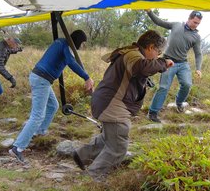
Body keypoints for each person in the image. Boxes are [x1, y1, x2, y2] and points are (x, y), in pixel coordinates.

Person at [72, 30, 174, 181]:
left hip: (106, 101)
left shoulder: (132, 53)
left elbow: (141, 71)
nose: (157, 56)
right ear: (151, 47)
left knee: (110, 137)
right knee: (118, 146)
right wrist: (163, 63)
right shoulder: (133, 55)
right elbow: (141, 67)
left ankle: (82, 156)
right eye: (158, 52)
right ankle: (93, 178)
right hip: (112, 104)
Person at [9, 30, 94, 164]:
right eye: (82, 43)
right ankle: (17, 148)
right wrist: (86, 78)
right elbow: (71, 62)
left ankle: (39, 131)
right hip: (41, 79)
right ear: (77, 40)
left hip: (42, 79)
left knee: (53, 106)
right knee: (37, 115)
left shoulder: (61, 42)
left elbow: (66, 60)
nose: (82, 46)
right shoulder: (64, 45)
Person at [146, 9, 203, 123]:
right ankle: (152, 112)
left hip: (183, 63)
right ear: (189, 19)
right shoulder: (176, 25)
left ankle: (179, 103)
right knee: (163, 87)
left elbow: (198, 54)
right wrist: (149, 12)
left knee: (187, 84)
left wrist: (198, 69)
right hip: (167, 61)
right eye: (195, 22)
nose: (196, 25)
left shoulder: (196, 37)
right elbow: (159, 22)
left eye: (198, 23)